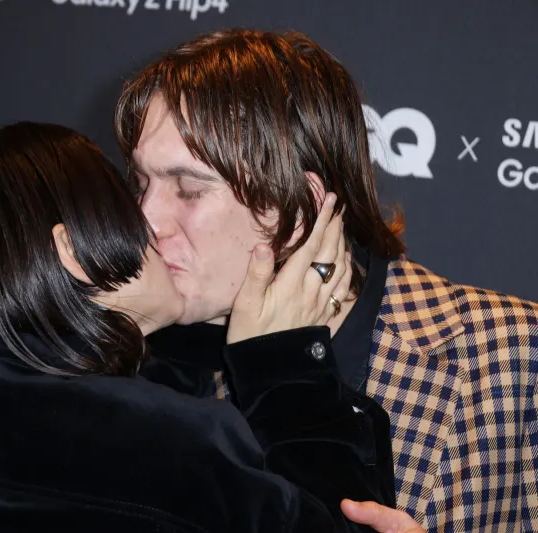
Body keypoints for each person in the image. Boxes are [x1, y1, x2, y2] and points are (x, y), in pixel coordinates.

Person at [0, 122, 395, 532]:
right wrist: (285, 368)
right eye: (127, 198)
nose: (151, 223)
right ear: (71, 253)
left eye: (185, 189)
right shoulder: (163, 444)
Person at [114, 28, 538, 532]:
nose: (145, 219)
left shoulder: (509, 352)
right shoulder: (152, 373)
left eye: (187, 189)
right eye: (141, 183)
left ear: (299, 207)